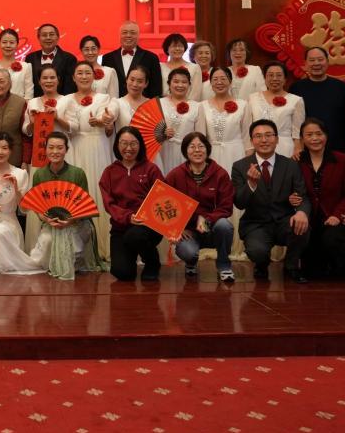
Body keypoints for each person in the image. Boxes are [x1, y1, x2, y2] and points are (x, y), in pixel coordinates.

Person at [232, 119, 310, 283]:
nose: (264, 140)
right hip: (256, 223)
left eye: (269, 135)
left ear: (277, 139)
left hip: (284, 221)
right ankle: (261, 265)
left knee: (303, 226)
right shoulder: (240, 166)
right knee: (257, 251)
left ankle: (291, 266)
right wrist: (251, 184)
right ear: (252, 140)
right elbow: (239, 203)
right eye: (258, 136)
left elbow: (302, 195)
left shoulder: (290, 165)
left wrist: (302, 212)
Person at [28, 131, 101, 279]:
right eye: (51, 147)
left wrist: (70, 221)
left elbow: (84, 206)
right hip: (51, 223)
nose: (55, 151)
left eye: (60, 148)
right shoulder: (39, 175)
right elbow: (37, 205)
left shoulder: (77, 173)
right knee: (47, 244)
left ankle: (75, 262)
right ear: (45, 149)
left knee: (71, 249)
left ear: (66, 150)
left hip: (76, 223)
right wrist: (46, 219)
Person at [64, 61, 117, 259]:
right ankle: (75, 247)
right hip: (74, 147)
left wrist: (104, 122)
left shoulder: (105, 98)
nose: (84, 76)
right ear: (73, 77)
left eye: (88, 72)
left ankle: (101, 245)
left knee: (97, 189)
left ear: (94, 76)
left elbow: (109, 124)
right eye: (80, 73)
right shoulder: (66, 99)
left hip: (97, 146)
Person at [166, 132, 236, 283]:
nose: (197, 150)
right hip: (188, 232)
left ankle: (224, 265)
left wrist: (207, 220)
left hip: (211, 227)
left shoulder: (220, 174)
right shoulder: (175, 174)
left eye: (201, 146)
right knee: (188, 252)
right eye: (192, 147)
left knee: (225, 225)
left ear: (207, 149)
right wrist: (177, 228)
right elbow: (163, 203)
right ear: (185, 151)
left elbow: (226, 206)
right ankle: (191, 263)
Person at [100, 126, 165, 281]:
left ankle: (152, 262)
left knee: (135, 236)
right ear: (117, 145)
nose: (128, 148)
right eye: (124, 143)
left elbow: (162, 198)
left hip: (148, 227)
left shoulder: (151, 169)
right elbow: (109, 204)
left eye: (133, 143)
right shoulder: (109, 172)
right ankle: (130, 259)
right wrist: (128, 217)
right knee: (122, 273)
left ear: (140, 145)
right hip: (121, 227)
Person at [296, 118, 345, 279]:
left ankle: (341, 266)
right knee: (312, 272)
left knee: (332, 242)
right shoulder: (297, 161)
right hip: (309, 217)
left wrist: (337, 215)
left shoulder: (342, 160)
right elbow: (294, 191)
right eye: (309, 135)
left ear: (326, 136)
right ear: (302, 139)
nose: (315, 138)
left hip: (334, 215)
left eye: (319, 134)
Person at [201, 66, 251, 261]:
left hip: (235, 154)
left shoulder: (243, 105)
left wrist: (248, 163)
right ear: (210, 82)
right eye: (215, 79)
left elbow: (247, 137)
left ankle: (236, 244)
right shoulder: (202, 106)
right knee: (209, 195)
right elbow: (201, 137)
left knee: (234, 196)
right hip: (211, 156)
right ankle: (209, 242)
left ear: (230, 81)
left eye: (223, 78)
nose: (219, 82)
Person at [0, 133, 41, 274]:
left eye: (4, 148)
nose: (0, 152)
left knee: (2, 232)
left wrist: (16, 188)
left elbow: (24, 209)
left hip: (10, 225)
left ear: (10, 151)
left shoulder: (20, 174)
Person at [289, 46, 345, 152]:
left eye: (320, 59)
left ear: (327, 62)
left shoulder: (341, 87)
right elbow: (293, 121)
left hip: (337, 147)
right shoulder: (296, 88)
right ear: (305, 64)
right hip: (307, 147)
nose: (316, 63)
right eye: (312, 60)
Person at [245, 61, 304, 158]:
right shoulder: (252, 98)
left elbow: (298, 131)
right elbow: (247, 126)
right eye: (270, 75)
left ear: (285, 79)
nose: (275, 78)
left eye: (279, 75)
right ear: (265, 78)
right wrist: (249, 149)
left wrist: (297, 149)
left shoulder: (296, 100)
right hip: (258, 145)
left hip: (284, 147)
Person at [155, 67, 201, 174]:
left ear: (189, 85)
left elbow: (200, 136)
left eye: (184, 82)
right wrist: (161, 133)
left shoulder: (197, 107)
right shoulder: (158, 103)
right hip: (162, 151)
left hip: (186, 153)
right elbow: (150, 130)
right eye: (176, 81)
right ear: (169, 83)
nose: (180, 85)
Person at [101, 21, 162, 100]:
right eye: (125, 32)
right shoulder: (107, 58)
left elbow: (156, 88)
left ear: (138, 36)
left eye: (133, 33)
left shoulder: (151, 58)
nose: (128, 35)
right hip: (115, 104)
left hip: (142, 105)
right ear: (119, 35)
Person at [0, 28, 33, 100]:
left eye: (12, 42)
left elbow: (29, 95)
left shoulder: (26, 66)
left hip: (20, 106)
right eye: (4, 42)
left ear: (17, 44)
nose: (8, 45)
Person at [24, 23, 77, 88]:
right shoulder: (30, 58)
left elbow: (70, 86)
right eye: (44, 35)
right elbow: (28, 84)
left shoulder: (69, 58)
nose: (48, 38)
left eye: (51, 34)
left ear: (58, 37)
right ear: (38, 38)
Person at [78, 35, 119, 99]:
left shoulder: (109, 72)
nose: (90, 52)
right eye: (86, 49)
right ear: (81, 51)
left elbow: (114, 99)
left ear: (99, 49)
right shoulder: (77, 72)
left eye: (93, 49)